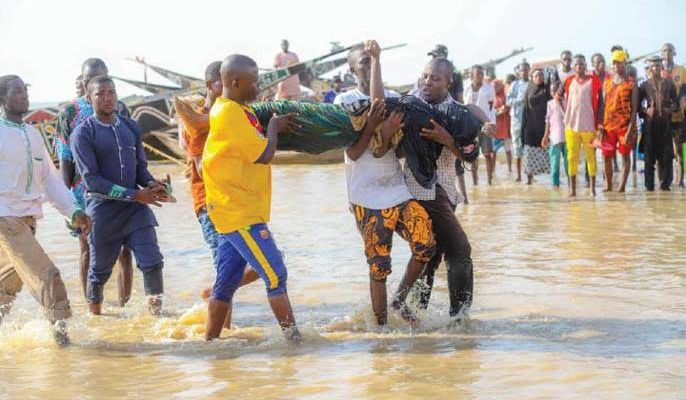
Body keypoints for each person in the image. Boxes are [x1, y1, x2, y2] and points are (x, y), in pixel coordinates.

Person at [334, 41, 436, 327]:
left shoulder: (392, 97)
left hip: (396, 189)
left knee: (425, 244)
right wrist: (373, 127)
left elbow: (402, 151)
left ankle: (398, 300)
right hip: (365, 195)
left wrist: (393, 133)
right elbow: (353, 153)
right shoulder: (344, 102)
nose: (369, 65)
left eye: (372, 60)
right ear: (351, 68)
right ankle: (381, 329)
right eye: (364, 61)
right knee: (379, 266)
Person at [203, 54, 301, 341]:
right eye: (255, 81)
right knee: (276, 273)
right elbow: (264, 153)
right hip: (239, 212)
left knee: (226, 283)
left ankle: (210, 344)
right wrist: (274, 128)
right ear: (235, 82)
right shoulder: (229, 113)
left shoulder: (235, 109)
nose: (259, 86)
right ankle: (295, 342)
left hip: (232, 208)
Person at [0, 75, 91, 346]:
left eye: (25, 90)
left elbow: (49, 179)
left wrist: (73, 211)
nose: (24, 96)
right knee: (48, 276)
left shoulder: (32, 133)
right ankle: (65, 346)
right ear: (3, 99)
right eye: (17, 92)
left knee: (6, 286)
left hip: (28, 219)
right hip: (6, 218)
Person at [71, 76, 168, 316]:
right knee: (99, 272)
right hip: (103, 210)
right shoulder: (83, 134)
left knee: (153, 262)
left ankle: (157, 320)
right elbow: (92, 180)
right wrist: (136, 194)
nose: (107, 98)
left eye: (111, 93)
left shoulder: (130, 127)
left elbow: (140, 170)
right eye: (100, 94)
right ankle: (96, 319)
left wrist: (154, 185)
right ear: (89, 97)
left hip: (136, 211)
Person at [173, 62, 259, 322]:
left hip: (236, 202)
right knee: (226, 267)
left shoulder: (235, 113)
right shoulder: (200, 122)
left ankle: (214, 295)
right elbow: (200, 169)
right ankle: (221, 336)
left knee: (255, 265)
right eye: (224, 81)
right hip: (210, 204)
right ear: (212, 85)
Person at [410, 58, 493, 318]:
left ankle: (415, 314)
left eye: (435, 78)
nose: (428, 81)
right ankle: (460, 318)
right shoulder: (412, 107)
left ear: (448, 82)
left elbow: (470, 157)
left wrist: (447, 140)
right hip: (422, 190)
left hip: (447, 191)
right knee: (460, 250)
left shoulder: (459, 113)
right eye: (425, 76)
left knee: (431, 255)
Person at [54, 58, 133, 306]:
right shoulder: (69, 113)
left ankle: (125, 307)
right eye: (90, 79)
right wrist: (67, 205)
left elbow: (132, 151)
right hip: (83, 193)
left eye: (102, 77)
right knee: (87, 249)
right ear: (83, 82)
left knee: (124, 251)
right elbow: (64, 159)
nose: (96, 84)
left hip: (120, 190)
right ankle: (92, 307)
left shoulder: (121, 108)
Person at [563, 54, 603, 197]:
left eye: (581, 64)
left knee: (590, 157)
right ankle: (572, 189)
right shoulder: (568, 81)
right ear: (573, 67)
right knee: (571, 157)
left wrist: (599, 125)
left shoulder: (594, 81)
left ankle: (592, 189)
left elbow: (600, 105)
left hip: (589, 126)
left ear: (585, 66)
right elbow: (563, 99)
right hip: (571, 126)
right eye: (576, 64)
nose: (579, 67)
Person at [599, 49, 638, 193]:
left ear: (625, 63)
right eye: (614, 63)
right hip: (608, 127)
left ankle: (621, 187)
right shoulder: (607, 81)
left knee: (625, 157)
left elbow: (634, 109)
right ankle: (608, 185)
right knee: (606, 156)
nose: (616, 66)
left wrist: (630, 130)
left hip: (624, 127)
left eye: (619, 63)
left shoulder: (631, 83)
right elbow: (603, 104)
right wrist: (601, 126)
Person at [639, 56, 679, 191]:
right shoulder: (644, 85)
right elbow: (637, 106)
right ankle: (649, 186)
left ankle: (665, 184)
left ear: (661, 67)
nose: (655, 68)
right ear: (649, 69)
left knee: (667, 156)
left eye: (658, 66)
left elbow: (676, 103)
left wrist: (669, 110)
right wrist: (645, 111)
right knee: (649, 157)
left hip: (665, 124)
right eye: (653, 66)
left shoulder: (669, 84)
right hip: (650, 125)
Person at [464, 65, 496, 185]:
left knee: (487, 153)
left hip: (485, 123)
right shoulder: (466, 88)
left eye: (482, 74)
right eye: (478, 74)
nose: (480, 76)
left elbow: (491, 108)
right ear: (472, 75)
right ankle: (475, 182)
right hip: (469, 124)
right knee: (472, 155)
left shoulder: (489, 89)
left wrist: (491, 124)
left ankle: (489, 180)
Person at [661, 43, 686, 187]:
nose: (667, 53)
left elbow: (684, 90)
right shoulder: (656, 70)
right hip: (663, 117)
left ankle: (681, 180)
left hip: (678, 116)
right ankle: (665, 180)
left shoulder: (681, 70)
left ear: (674, 53)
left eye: (670, 50)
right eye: (664, 51)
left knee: (680, 149)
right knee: (664, 150)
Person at [521, 69, 552, 184]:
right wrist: (522, 129)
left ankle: (551, 181)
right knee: (529, 153)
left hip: (544, 126)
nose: (538, 77)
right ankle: (529, 179)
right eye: (536, 76)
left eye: (540, 75)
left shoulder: (547, 89)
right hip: (530, 126)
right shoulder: (529, 90)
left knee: (546, 153)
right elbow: (525, 110)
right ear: (532, 78)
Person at [507, 61, 531, 182]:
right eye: (522, 70)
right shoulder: (514, 85)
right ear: (518, 72)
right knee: (517, 148)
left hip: (530, 122)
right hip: (516, 120)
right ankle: (518, 175)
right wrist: (519, 100)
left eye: (526, 69)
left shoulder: (533, 83)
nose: (524, 72)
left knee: (529, 148)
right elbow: (508, 101)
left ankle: (529, 177)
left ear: (529, 70)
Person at [542, 81, 568, 187]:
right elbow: (548, 121)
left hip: (567, 137)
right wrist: (545, 136)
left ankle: (571, 184)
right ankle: (555, 185)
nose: (553, 93)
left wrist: (560, 103)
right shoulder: (550, 103)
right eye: (551, 91)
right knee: (554, 163)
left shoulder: (567, 101)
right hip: (554, 137)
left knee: (569, 163)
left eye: (555, 90)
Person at [493, 78, 513, 173]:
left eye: (497, 85)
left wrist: (501, 110)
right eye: (494, 85)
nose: (495, 87)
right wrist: (499, 111)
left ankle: (510, 170)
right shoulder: (491, 96)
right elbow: (491, 112)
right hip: (495, 129)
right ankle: (492, 171)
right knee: (493, 151)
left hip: (506, 128)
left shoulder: (505, 94)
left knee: (508, 150)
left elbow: (508, 106)